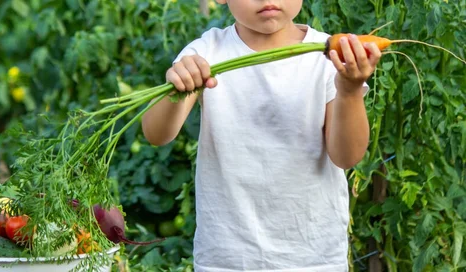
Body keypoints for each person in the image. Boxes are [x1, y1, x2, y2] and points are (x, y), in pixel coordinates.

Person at [141, 0, 381, 271]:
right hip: (227, 258)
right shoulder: (207, 53)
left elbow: (347, 156)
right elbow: (156, 134)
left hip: (312, 256)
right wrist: (178, 88)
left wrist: (349, 91)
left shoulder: (328, 55)